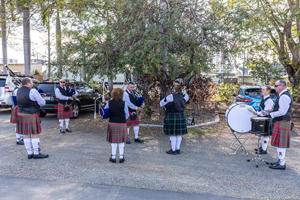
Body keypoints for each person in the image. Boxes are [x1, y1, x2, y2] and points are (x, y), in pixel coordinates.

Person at [262, 80, 293, 170]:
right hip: (282, 121)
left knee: (280, 144)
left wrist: (270, 114)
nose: (274, 88)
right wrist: (272, 110)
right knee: (279, 143)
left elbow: (283, 112)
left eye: (276, 86)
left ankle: (282, 163)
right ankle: (280, 161)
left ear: (282, 86)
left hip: (282, 122)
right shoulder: (283, 95)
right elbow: (281, 109)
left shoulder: (284, 96)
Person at [16, 77, 48, 159]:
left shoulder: (17, 90)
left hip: (21, 114)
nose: (33, 83)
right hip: (31, 114)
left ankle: (30, 153)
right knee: (35, 134)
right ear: (28, 83)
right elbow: (42, 103)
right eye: (32, 82)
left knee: (26, 135)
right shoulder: (33, 91)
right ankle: (36, 153)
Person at [160, 81, 189, 155]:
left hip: (172, 115)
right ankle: (178, 149)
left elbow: (161, 103)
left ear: (174, 90)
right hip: (180, 115)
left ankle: (173, 150)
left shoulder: (171, 96)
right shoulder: (183, 96)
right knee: (179, 134)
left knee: (172, 134)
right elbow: (186, 99)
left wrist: (165, 105)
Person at [104, 88, 129, 163]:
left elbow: (105, 111)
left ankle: (113, 157)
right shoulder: (124, 103)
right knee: (121, 141)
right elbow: (127, 114)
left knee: (113, 141)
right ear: (121, 95)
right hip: (121, 123)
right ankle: (121, 157)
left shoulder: (109, 102)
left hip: (112, 123)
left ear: (113, 94)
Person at [253, 85, 274, 154]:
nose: (262, 91)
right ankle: (262, 148)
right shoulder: (264, 98)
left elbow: (265, 113)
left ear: (268, 91)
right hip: (262, 119)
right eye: (262, 89)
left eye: (263, 90)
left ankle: (264, 150)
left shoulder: (269, 100)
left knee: (265, 134)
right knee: (262, 134)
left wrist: (257, 113)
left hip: (266, 119)